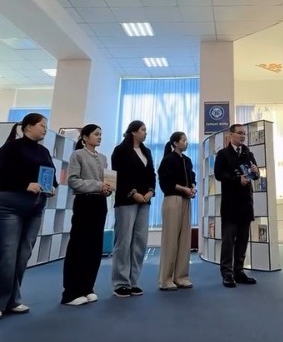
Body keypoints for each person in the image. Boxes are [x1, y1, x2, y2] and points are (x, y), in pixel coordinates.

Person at [0, 113, 57, 319]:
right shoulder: (11, 147)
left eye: (46, 126)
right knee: (7, 255)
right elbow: (2, 175)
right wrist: (25, 184)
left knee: (23, 254)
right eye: (42, 125)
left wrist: (52, 187)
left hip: (35, 208)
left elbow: (51, 175)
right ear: (28, 127)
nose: (45, 129)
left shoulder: (43, 151)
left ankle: (13, 300)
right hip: (10, 207)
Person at [61, 124, 111, 306]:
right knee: (79, 246)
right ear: (85, 137)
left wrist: (107, 189)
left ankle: (87, 287)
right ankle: (71, 293)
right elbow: (73, 181)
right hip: (84, 203)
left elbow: (106, 181)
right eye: (96, 134)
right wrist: (98, 185)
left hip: (100, 203)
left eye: (101, 134)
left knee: (95, 247)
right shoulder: (78, 155)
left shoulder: (103, 158)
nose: (99, 137)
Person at [111, 121, 156, 297]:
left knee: (139, 241)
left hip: (144, 200)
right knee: (124, 241)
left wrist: (151, 191)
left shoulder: (147, 151)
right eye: (143, 130)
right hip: (126, 200)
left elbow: (152, 174)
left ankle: (133, 281)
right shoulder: (120, 150)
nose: (146, 133)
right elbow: (119, 176)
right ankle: (121, 282)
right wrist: (133, 193)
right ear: (134, 132)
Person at [214, 124, 259, 288]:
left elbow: (255, 175)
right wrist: (236, 179)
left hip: (246, 203)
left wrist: (256, 171)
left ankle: (239, 271)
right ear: (231, 135)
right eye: (240, 133)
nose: (243, 136)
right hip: (230, 203)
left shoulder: (248, 153)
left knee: (243, 239)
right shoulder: (223, 154)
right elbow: (219, 174)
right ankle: (227, 273)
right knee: (228, 240)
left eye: (244, 133)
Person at [157, 132, 196, 291]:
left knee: (185, 240)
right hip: (172, 199)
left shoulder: (187, 160)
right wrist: (183, 189)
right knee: (170, 240)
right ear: (175, 143)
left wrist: (192, 187)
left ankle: (181, 277)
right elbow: (165, 181)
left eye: (186, 140)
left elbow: (192, 177)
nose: (186, 142)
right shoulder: (168, 160)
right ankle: (166, 279)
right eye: (184, 140)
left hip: (186, 200)